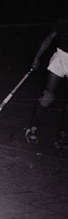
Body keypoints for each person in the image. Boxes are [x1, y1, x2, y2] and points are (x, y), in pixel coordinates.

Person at [25, 17, 68, 148]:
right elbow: (49, 38)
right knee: (48, 95)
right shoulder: (64, 21)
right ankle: (33, 129)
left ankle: (63, 134)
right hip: (61, 57)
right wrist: (37, 57)